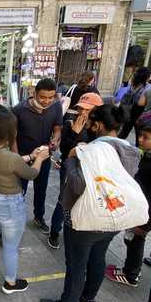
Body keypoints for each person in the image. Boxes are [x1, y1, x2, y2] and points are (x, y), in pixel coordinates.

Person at [40, 104, 140, 302]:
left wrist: (73, 158)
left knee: (76, 264)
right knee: (98, 257)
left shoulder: (92, 151)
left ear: (99, 125)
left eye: (91, 123)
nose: (89, 126)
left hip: (86, 220)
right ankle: (89, 297)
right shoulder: (130, 150)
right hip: (113, 217)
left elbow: (77, 185)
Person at [0, 111, 50, 293]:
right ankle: (10, 283)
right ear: (10, 133)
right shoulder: (11, 158)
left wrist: (31, 156)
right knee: (10, 246)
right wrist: (39, 159)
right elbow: (32, 174)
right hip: (10, 204)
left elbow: (11, 163)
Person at [105, 120, 151, 287]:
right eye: (140, 135)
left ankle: (131, 275)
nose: (140, 140)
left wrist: (145, 224)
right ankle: (131, 268)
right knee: (131, 239)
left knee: (135, 239)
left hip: (145, 214)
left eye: (145, 137)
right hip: (138, 207)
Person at [48, 93, 103, 249]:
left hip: (89, 170)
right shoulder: (70, 124)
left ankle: (76, 229)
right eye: (80, 108)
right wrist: (74, 133)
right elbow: (64, 150)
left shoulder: (98, 127)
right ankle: (54, 232)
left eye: (87, 109)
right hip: (70, 167)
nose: (82, 113)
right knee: (64, 198)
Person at [13, 78, 62, 233]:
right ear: (34, 94)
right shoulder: (19, 109)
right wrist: (15, 157)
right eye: (42, 97)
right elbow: (12, 136)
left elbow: (57, 127)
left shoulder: (55, 106)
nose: (47, 101)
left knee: (41, 188)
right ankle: (14, 220)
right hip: (23, 156)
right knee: (19, 190)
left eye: (50, 97)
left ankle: (38, 217)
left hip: (44, 155)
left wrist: (55, 139)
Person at [118, 67, 151, 141]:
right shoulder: (148, 87)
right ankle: (138, 149)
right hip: (139, 113)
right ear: (146, 77)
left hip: (129, 110)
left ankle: (114, 145)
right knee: (139, 135)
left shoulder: (133, 85)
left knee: (124, 132)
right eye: (150, 75)